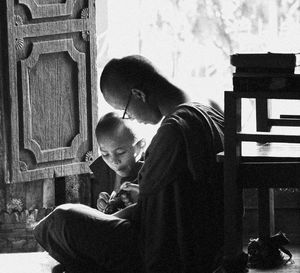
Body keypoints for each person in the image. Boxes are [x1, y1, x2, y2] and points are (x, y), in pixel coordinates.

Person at [34, 55, 224, 273]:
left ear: (138, 94)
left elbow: (145, 213)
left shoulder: (173, 130)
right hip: (211, 245)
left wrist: (104, 218)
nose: (132, 119)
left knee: (60, 220)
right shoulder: (212, 107)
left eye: (126, 112)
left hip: (168, 252)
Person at [90, 112, 144, 213]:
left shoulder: (152, 170)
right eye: (105, 154)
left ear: (140, 145)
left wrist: (145, 195)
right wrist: (105, 204)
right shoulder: (103, 170)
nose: (114, 161)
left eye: (121, 152)